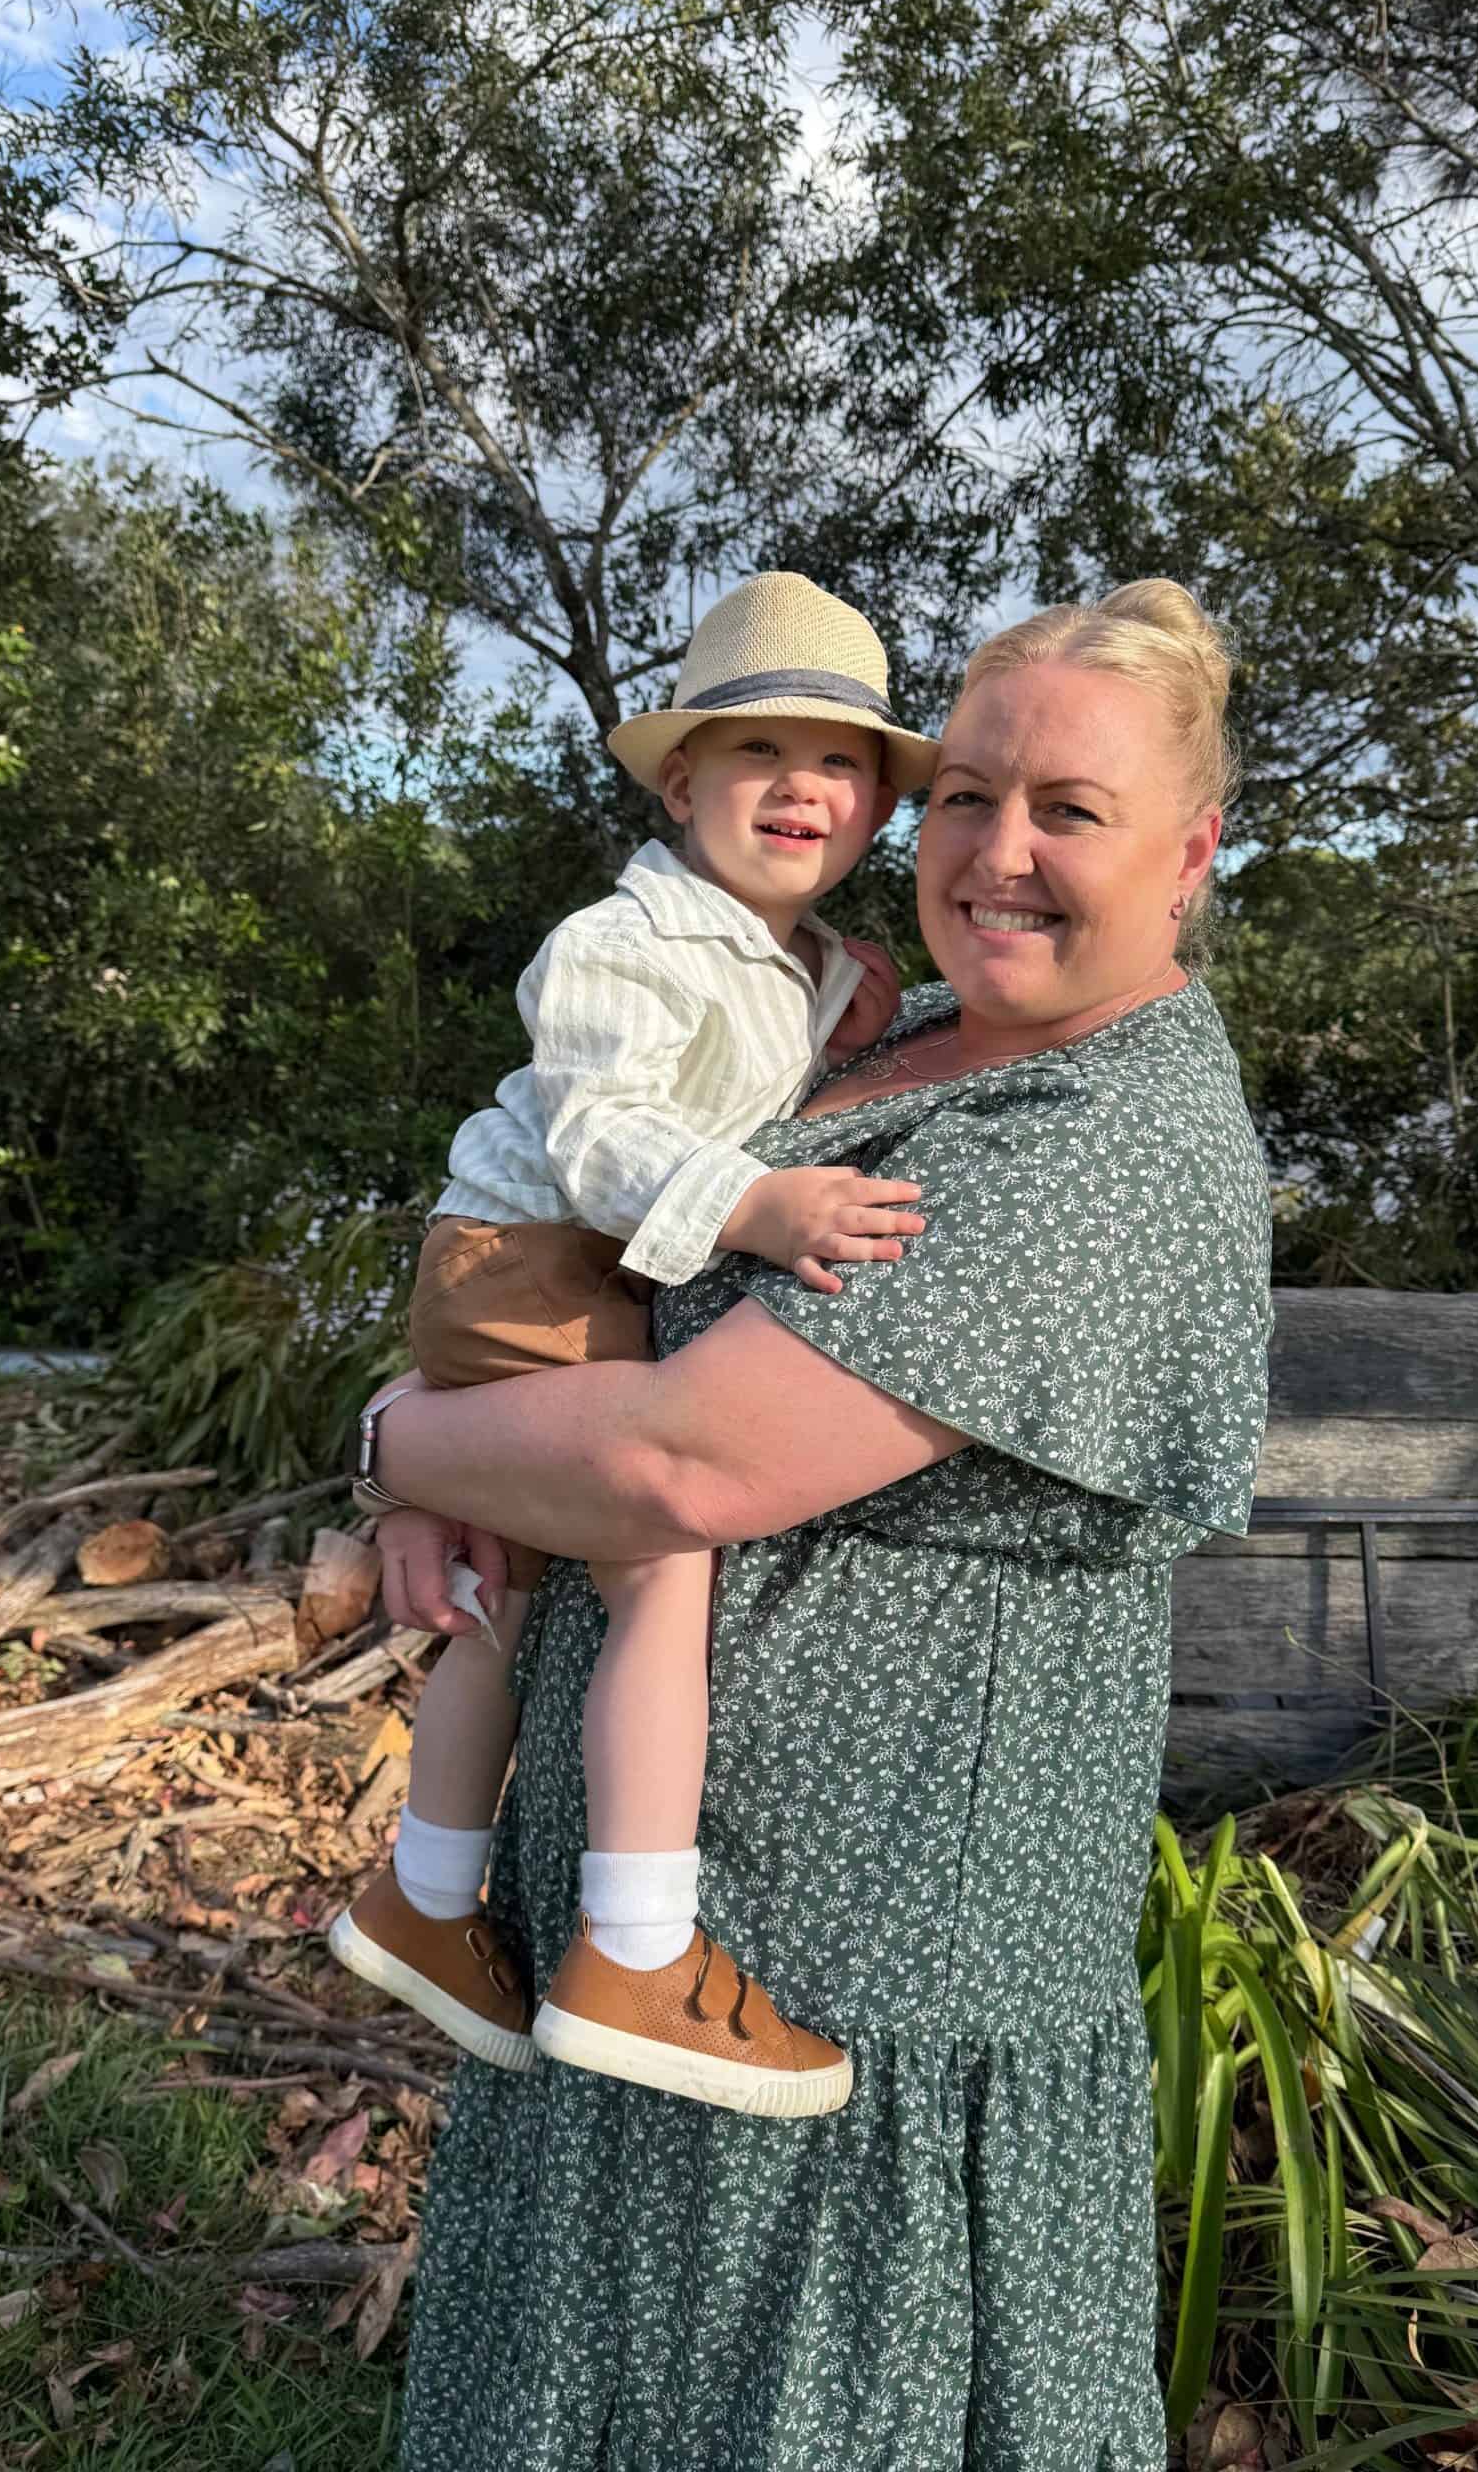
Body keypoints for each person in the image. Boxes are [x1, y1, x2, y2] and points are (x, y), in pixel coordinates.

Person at [365, 581, 1274, 2471]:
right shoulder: (881, 1029)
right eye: (965, 796)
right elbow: (591, 1260)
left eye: (1068, 813)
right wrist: (447, 1452)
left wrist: (409, 1438)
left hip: (866, 1997)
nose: (997, 853)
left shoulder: (1103, 1142)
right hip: (655, 1950)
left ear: (1190, 857)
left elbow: (683, 1464)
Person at [329, 572, 938, 2117]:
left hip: (565, 1274)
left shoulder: (804, 965)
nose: (802, 787)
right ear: (682, 783)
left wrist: (843, 1019)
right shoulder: (624, 942)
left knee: (499, 1575)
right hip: (536, 1260)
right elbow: (603, 1139)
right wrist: (764, 1205)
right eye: (757, 756)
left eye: (842, 764)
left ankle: (428, 1888)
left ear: (874, 806)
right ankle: (637, 1947)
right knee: (660, 1555)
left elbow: (777, 1059)